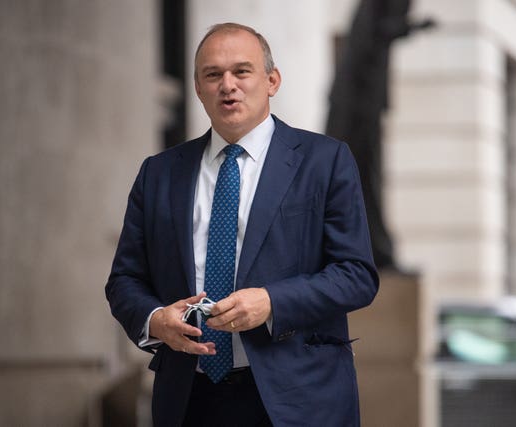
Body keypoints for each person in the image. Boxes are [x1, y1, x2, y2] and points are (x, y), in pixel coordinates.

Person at [106, 22, 379, 427]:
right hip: (189, 398)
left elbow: (356, 275)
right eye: (212, 75)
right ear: (198, 88)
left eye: (241, 71)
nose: (227, 85)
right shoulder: (159, 173)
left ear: (272, 80)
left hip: (298, 396)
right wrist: (156, 320)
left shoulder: (325, 160)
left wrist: (272, 301)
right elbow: (125, 280)